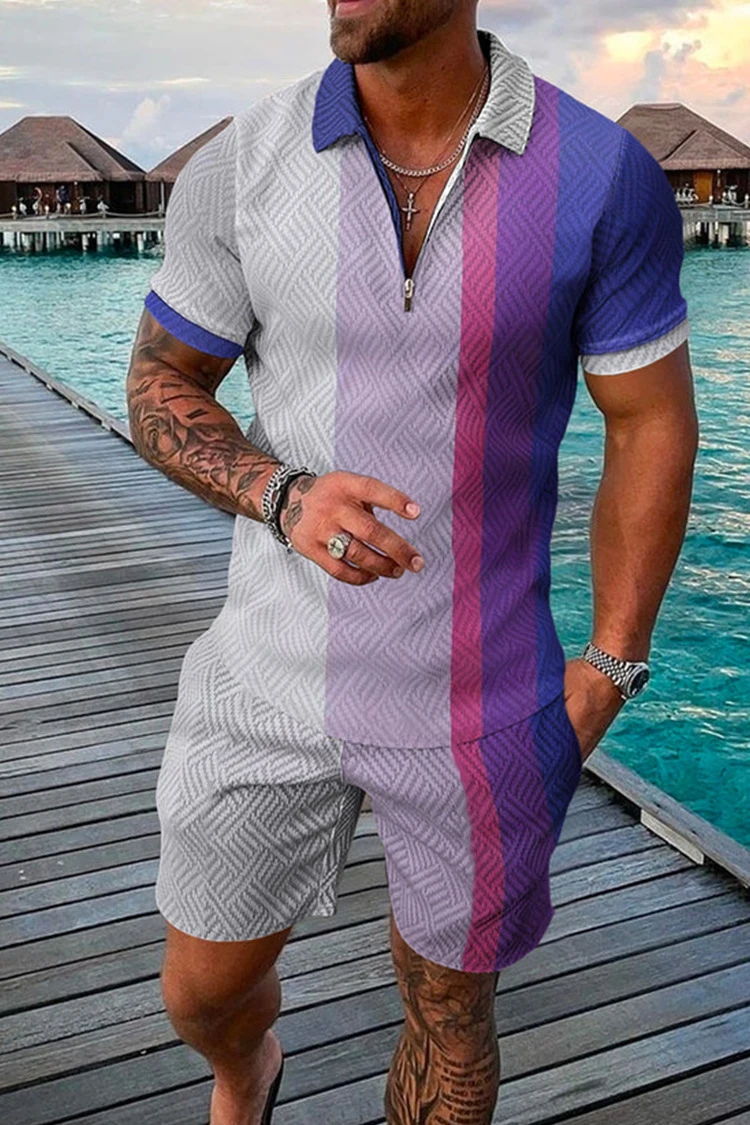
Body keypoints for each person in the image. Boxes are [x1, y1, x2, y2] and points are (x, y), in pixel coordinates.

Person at [126, 2, 698, 1122]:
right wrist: (281, 493)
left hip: (481, 702)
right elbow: (159, 384)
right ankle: (247, 1068)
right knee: (200, 993)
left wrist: (612, 664)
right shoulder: (242, 165)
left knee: (450, 1016)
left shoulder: (601, 175)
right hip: (265, 681)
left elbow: (649, 422)